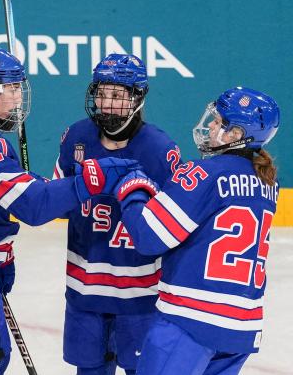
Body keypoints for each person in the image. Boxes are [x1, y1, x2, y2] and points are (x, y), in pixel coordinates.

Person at [0, 45, 134, 374]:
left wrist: (36, 188)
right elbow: (33, 207)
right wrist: (87, 183)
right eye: (11, 89)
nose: (18, 98)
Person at [112, 87, 279, 375]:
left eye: (219, 121)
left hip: (191, 321)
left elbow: (149, 236)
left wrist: (132, 190)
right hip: (241, 328)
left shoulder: (205, 173)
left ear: (236, 134)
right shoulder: (267, 184)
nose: (211, 125)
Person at [52, 54, 181, 375]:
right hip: (84, 290)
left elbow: (174, 226)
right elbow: (58, 203)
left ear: (138, 98)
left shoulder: (159, 150)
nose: (107, 105)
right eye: (102, 93)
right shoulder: (76, 138)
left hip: (140, 295)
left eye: (118, 96)